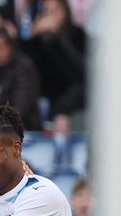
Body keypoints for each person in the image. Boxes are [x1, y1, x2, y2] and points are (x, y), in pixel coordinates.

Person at [21, 0, 87, 135]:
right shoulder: (36, 39)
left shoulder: (78, 34)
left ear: (65, 12)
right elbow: (26, 68)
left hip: (72, 99)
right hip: (43, 96)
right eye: (47, 11)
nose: (51, 16)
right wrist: (34, 34)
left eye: (55, 11)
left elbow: (81, 72)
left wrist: (58, 38)